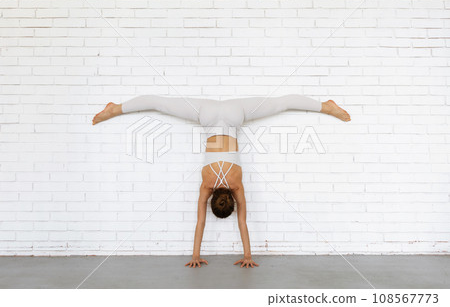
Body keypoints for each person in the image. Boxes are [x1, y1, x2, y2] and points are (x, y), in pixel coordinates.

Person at [92, 94, 350, 268]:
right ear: (213, 199)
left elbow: (242, 222)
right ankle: (115, 108)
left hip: (235, 115)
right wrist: (195, 255)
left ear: (228, 200)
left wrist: (248, 255)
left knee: (281, 102)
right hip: (207, 114)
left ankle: (326, 106)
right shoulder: (206, 183)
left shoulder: (237, 184)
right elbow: (200, 221)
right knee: (160, 102)